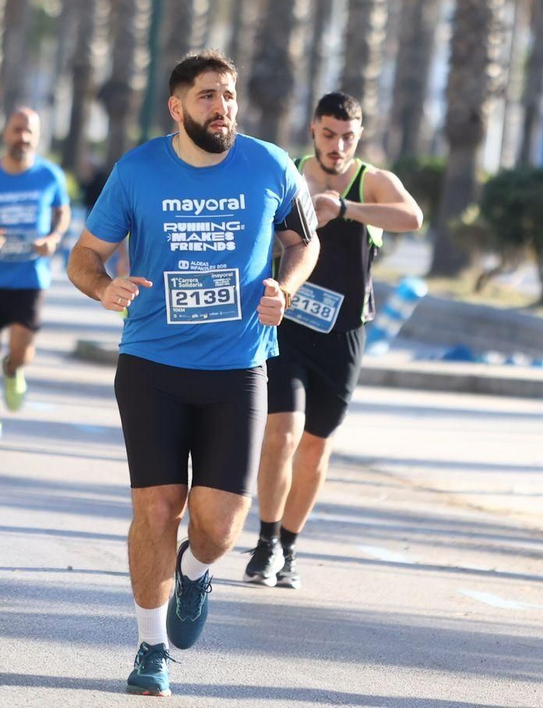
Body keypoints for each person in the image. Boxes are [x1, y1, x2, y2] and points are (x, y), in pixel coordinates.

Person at [67, 50, 318, 697]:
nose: (222, 107)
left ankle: (196, 570)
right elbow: (84, 256)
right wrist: (104, 288)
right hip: (151, 363)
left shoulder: (271, 165)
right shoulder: (137, 170)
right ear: (177, 108)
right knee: (157, 507)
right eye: (208, 95)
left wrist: (286, 289)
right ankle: (152, 647)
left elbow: (304, 241)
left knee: (219, 526)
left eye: (228, 95)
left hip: (237, 370)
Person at [244, 92, 423, 591]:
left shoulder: (373, 181)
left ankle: (290, 546)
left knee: (316, 447)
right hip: (287, 327)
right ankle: (265, 542)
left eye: (347, 137)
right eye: (328, 135)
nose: (337, 146)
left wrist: (345, 208)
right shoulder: (290, 172)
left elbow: (412, 218)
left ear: (358, 136)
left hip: (343, 333)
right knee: (282, 433)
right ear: (313, 131)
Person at [0, 109, 70, 444]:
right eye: (17, 129)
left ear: (38, 136)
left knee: (22, 350)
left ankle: (12, 368)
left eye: (29, 131)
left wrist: (54, 237)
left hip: (30, 277)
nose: (23, 137)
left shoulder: (49, 175)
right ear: (5, 133)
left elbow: (62, 212)